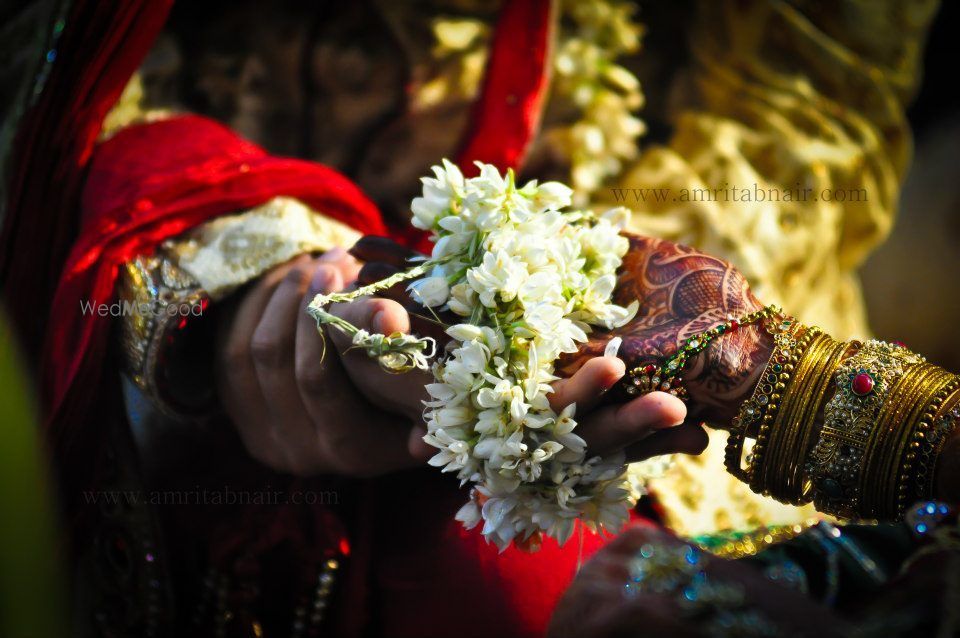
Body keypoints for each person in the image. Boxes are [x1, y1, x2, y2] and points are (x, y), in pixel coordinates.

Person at [0, 0, 941, 636]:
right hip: (202, 308)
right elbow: (55, 90)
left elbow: (806, 99)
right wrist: (248, 265)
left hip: (696, 270)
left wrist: (624, 317)